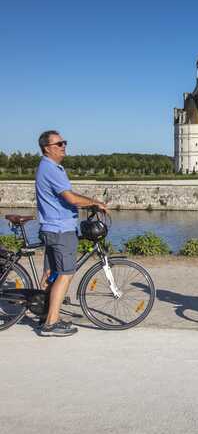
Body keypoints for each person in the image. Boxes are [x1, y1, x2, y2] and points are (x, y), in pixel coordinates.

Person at [35, 130, 107, 337]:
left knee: (51, 274)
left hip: (52, 228)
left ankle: (45, 313)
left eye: (64, 143)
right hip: (61, 230)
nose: (63, 146)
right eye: (58, 144)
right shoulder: (51, 169)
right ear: (47, 148)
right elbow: (70, 198)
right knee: (65, 274)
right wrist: (94, 202)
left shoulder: (49, 167)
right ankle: (51, 323)